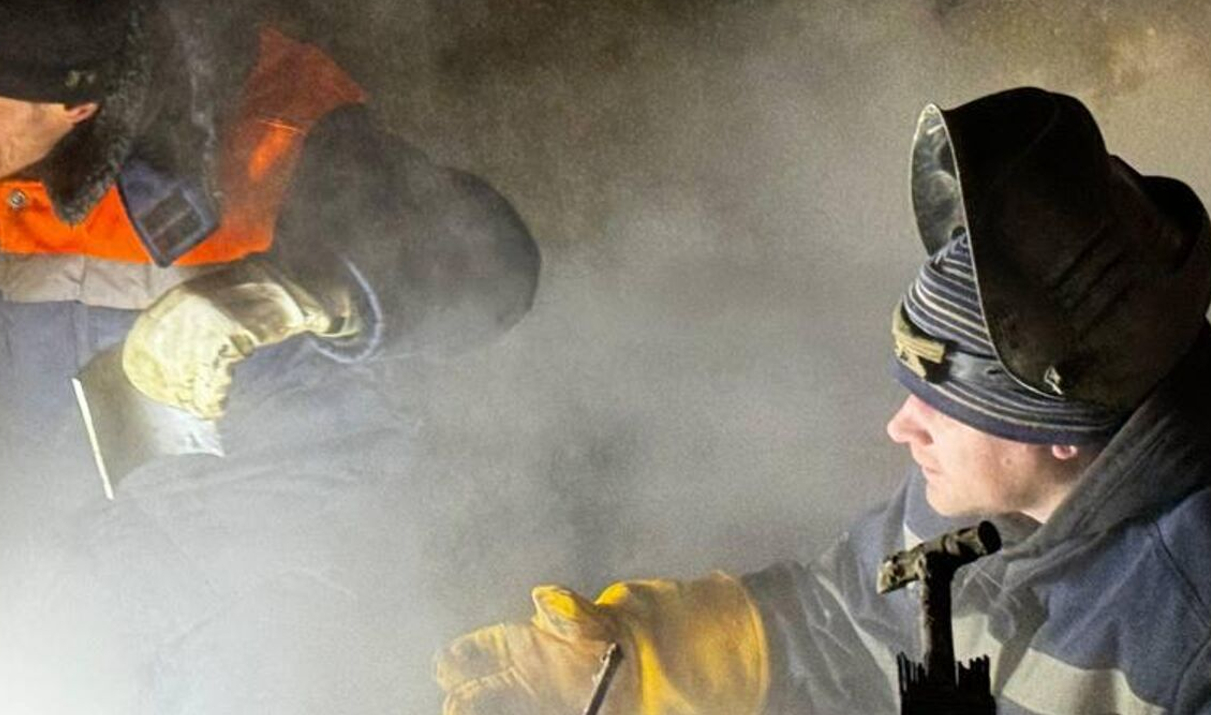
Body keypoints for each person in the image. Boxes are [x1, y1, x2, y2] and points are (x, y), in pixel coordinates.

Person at [0, 0, 538, 709]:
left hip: (288, 505)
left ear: (76, 109)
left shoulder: (269, 140)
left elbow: (493, 263)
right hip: (93, 515)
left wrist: (293, 292)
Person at [435, 87, 1211, 715]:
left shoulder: (1189, 624)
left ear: (1059, 430)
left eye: (943, 407)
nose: (901, 427)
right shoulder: (974, 492)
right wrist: (644, 657)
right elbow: (844, 622)